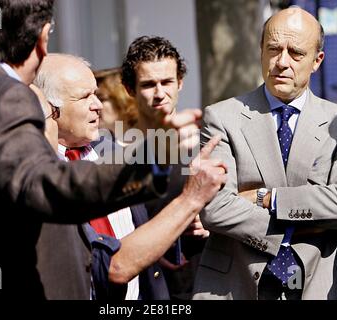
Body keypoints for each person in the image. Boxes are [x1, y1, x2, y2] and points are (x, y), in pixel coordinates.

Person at [0, 0, 222, 299]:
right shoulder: (7, 95)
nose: (96, 105)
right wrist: (153, 160)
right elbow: (46, 187)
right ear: (42, 38)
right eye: (84, 97)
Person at [193, 7, 337, 300]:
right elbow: (215, 209)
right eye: (273, 49)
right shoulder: (222, 117)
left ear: (316, 61)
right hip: (237, 284)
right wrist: (301, 225)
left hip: (321, 283)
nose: (281, 62)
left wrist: (267, 198)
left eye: (296, 53)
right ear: (261, 51)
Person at [34, 53, 227, 300]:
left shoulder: (112, 149)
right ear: (52, 108)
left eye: (97, 93)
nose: (98, 105)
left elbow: (144, 229)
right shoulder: (43, 175)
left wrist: (187, 226)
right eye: (85, 97)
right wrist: (191, 199)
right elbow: (112, 266)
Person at [121, 36, 210, 300]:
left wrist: (210, 224)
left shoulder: (205, 142)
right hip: (143, 290)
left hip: (204, 285)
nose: (160, 93)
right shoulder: (117, 152)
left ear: (180, 82)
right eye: (148, 84)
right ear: (129, 88)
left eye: (167, 82)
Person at [94, 67, 139, 143]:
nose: (94, 105)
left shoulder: (153, 142)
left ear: (123, 99)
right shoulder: (97, 148)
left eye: (101, 99)